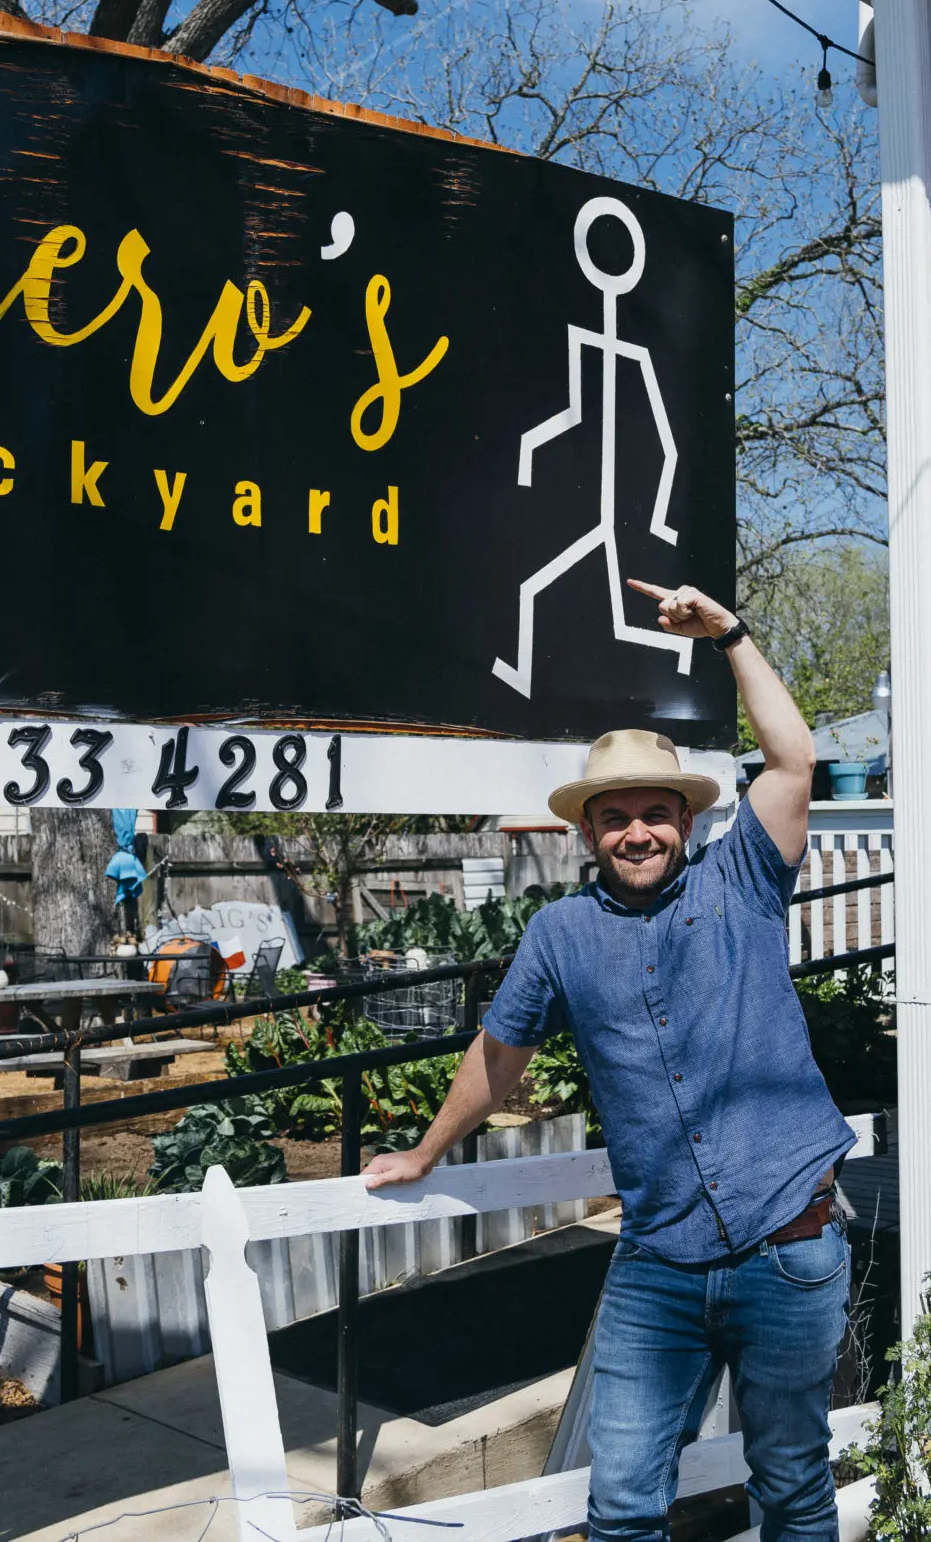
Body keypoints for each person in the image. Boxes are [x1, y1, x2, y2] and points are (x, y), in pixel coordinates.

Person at [363, 579, 854, 1542]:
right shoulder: (558, 934)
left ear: (686, 818)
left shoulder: (744, 880)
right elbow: (500, 1054)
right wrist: (425, 1153)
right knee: (622, 1505)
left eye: (656, 812)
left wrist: (733, 636)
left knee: (793, 1486)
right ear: (587, 831)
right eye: (616, 816)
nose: (638, 831)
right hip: (658, 1261)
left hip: (787, 1247)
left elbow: (794, 759)